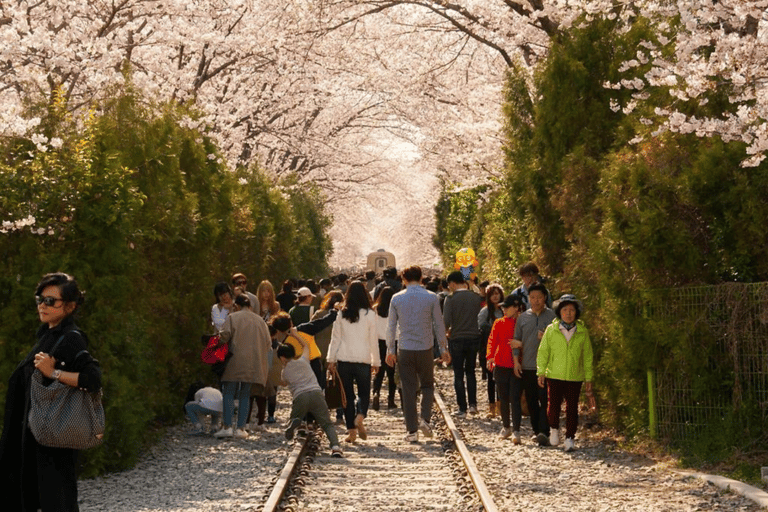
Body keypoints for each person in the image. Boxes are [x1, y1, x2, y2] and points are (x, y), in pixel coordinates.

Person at [0, 272, 102, 511]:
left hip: (52, 438)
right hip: (33, 436)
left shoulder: (71, 339)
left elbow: (92, 379)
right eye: (40, 299)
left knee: (55, 500)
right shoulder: (47, 336)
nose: (43, 306)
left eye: (50, 301)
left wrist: (53, 373)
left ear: (70, 306)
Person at [385, 265, 451, 443]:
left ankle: (412, 431)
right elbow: (439, 324)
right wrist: (443, 349)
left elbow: (391, 327)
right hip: (426, 348)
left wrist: (390, 350)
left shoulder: (396, 299)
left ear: (403, 279)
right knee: (428, 385)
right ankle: (425, 419)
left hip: (405, 349)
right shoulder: (431, 297)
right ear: (421, 278)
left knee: (408, 389)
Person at [537, 294, 594, 452]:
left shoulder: (582, 332)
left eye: (572, 310)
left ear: (576, 313)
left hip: (575, 376)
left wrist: (589, 378)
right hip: (554, 374)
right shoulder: (551, 330)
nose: (568, 313)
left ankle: (570, 437)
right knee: (553, 406)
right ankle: (554, 429)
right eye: (565, 310)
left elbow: (588, 356)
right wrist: (541, 371)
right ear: (559, 312)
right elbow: (543, 352)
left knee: (572, 408)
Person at [327, 281, 379, 442]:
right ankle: (361, 416)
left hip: (344, 359)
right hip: (363, 359)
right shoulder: (370, 314)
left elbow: (335, 339)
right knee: (364, 393)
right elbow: (373, 340)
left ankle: (351, 432)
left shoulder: (341, 314)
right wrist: (375, 361)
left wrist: (330, 359)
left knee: (347, 397)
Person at [214, 294, 271, 439]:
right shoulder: (260, 321)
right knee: (245, 394)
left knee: (229, 392)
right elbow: (268, 344)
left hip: (234, 360)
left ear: (236, 306)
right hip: (254, 363)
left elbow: (224, 336)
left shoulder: (233, 317)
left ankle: (227, 426)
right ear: (250, 306)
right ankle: (240, 429)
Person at [278, 331, 342, 458]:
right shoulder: (303, 360)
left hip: (300, 397)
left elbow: (284, 384)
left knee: (295, 415)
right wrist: (295, 335)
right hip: (316, 394)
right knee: (327, 424)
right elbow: (306, 346)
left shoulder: (284, 372)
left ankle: (296, 420)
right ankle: (335, 447)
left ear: (282, 358)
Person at [513, 283, 556, 446]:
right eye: (533, 297)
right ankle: (537, 430)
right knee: (531, 401)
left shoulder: (552, 317)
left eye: (539, 297)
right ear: (528, 298)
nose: (536, 301)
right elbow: (516, 341)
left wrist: (547, 337)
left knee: (545, 399)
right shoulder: (523, 317)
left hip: (547, 367)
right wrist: (516, 361)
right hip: (528, 366)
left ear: (545, 298)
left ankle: (544, 431)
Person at [442, 271, 483, 416]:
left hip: (457, 339)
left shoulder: (450, 299)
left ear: (452, 283)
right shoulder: (476, 297)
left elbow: (445, 322)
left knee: (458, 374)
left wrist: (445, 335)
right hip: (474, 338)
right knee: (471, 372)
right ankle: (473, 405)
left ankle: (462, 408)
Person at [486, 294, 525, 442]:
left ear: (516, 308)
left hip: (516, 365)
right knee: (503, 397)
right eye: (503, 307)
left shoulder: (521, 323)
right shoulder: (499, 323)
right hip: (501, 364)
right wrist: (490, 356)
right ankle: (506, 426)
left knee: (515, 398)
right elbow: (492, 340)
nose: (504, 309)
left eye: (507, 307)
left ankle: (516, 430)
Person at [478, 283, 504, 417]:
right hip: (489, 348)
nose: (495, 296)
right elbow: (480, 327)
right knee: (490, 379)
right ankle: (491, 407)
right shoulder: (485, 311)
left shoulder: (505, 310)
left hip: (503, 348)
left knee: (501, 379)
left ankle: (501, 406)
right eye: (492, 294)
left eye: (497, 293)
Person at [372, 287, 397, 410]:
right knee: (392, 372)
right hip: (393, 341)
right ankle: (391, 400)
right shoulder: (396, 308)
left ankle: (376, 393)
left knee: (379, 371)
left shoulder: (375, 309)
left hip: (378, 342)